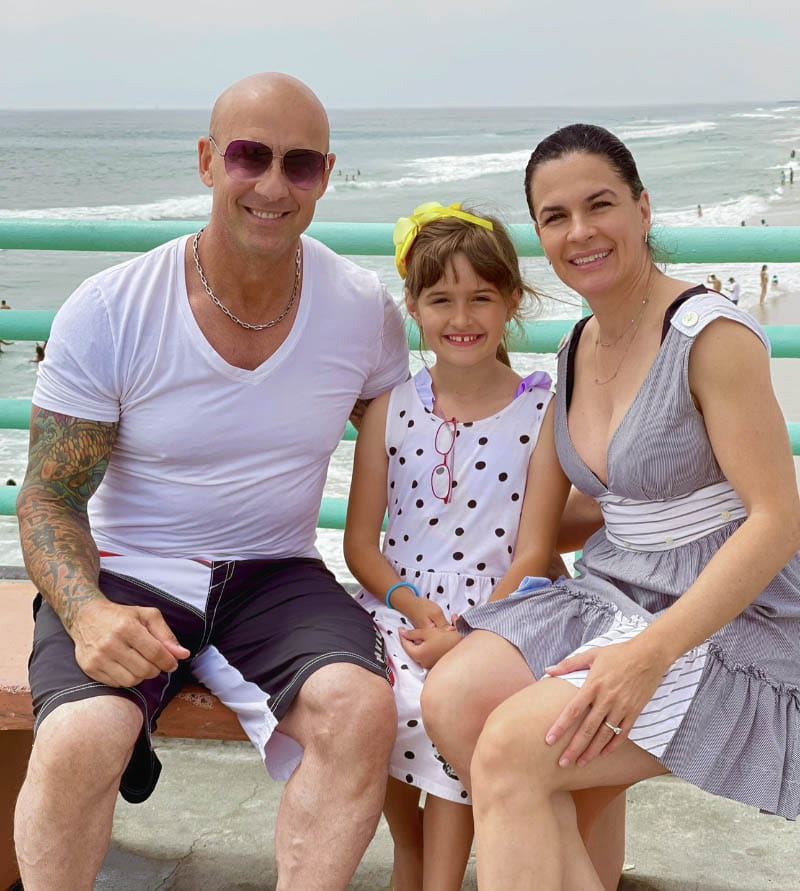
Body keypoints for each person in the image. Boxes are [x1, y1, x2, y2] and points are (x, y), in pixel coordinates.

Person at [14, 72, 410, 890]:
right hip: (129, 568)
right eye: (248, 155)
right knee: (79, 736)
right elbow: (50, 494)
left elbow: (415, 449)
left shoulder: (362, 309)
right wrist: (85, 611)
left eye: (299, 164)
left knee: (361, 709)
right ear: (206, 161)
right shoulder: (111, 308)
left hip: (277, 572)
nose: (272, 184)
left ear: (326, 177)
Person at [422, 123, 800, 889]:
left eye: (600, 205)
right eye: (555, 217)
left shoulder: (711, 338)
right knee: (454, 699)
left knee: (511, 755)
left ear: (644, 209)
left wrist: (650, 651)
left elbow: (776, 518)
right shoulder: (577, 344)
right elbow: (574, 522)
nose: (581, 231)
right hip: (611, 593)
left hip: (726, 621)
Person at [344, 201, 559, 890]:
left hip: (500, 613)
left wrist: (466, 632)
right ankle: (407, 854)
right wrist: (415, 607)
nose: (460, 318)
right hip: (399, 605)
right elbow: (360, 545)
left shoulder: (542, 411)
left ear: (511, 303)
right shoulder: (391, 408)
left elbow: (532, 554)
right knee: (370, 700)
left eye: (480, 298)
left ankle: (437, 880)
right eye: (440, 299)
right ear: (412, 306)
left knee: (454, 698)